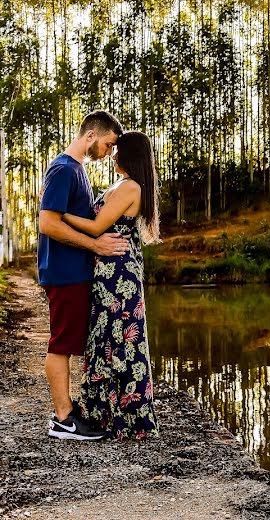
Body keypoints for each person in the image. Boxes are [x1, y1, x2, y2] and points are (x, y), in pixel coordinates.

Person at [62, 130, 161, 440]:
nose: (112, 154)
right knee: (106, 334)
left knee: (119, 338)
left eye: (117, 150)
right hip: (109, 271)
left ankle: (124, 415)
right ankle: (103, 410)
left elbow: (96, 226)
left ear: (129, 155)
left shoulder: (130, 187)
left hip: (119, 275)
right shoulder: (122, 185)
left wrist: (59, 215)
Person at [39, 110, 127, 441]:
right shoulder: (63, 169)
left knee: (70, 341)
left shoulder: (77, 171)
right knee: (61, 344)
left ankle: (68, 413)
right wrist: (96, 245)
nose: (108, 153)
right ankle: (63, 420)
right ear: (91, 136)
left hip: (74, 271)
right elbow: (48, 223)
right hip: (63, 272)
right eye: (107, 145)